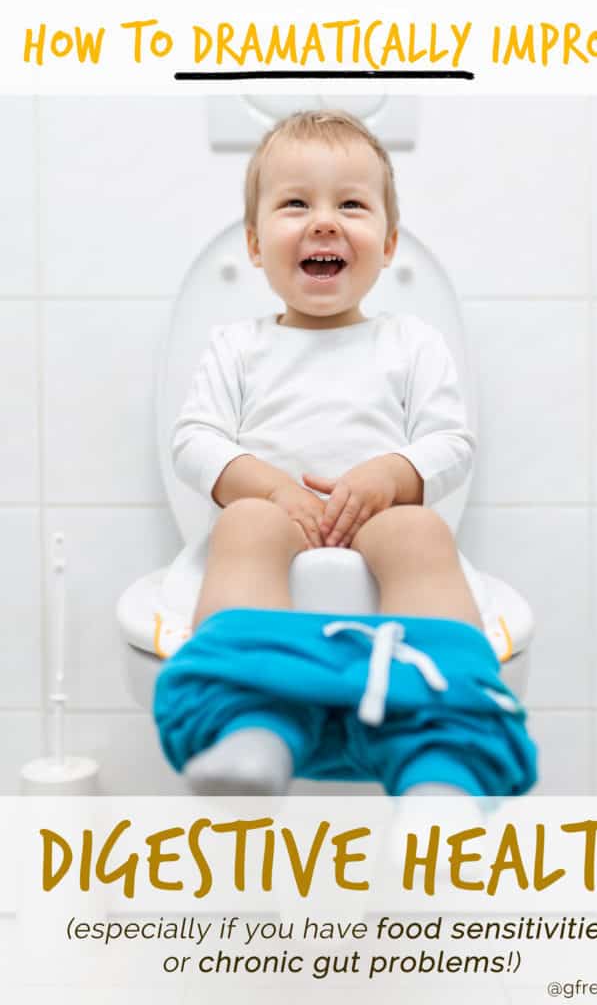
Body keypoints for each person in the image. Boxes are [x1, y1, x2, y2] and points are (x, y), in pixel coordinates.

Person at [155, 109, 536, 799]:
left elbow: (450, 441)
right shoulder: (237, 345)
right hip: (272, 535)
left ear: (388, 244)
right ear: (254, 242)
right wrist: (271, 489)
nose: (324, 221)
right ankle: (252, 722)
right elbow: (195, 441)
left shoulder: (410, 341)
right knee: (243, 522)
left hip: (381, 530)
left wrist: (391, 474)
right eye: (295, 202)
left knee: (419, 528)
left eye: (351, 205)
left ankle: (441, 755)